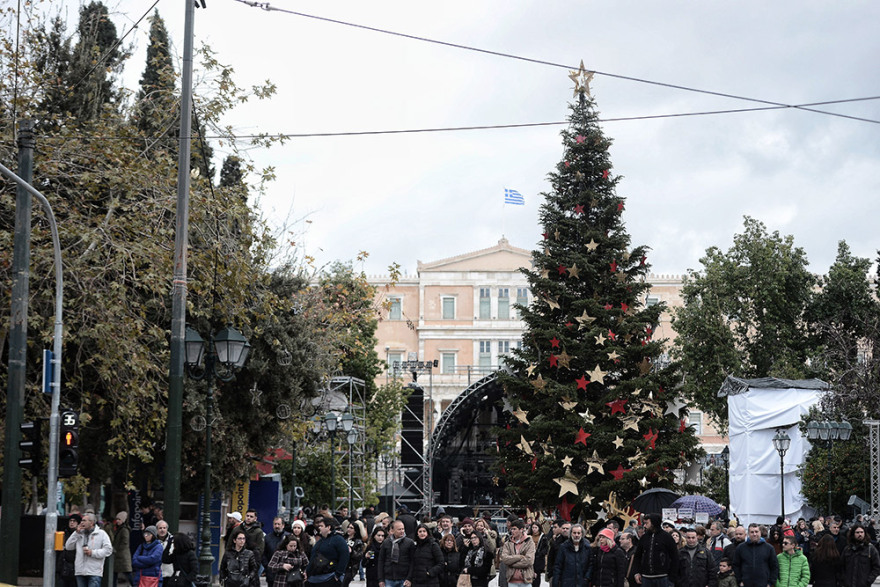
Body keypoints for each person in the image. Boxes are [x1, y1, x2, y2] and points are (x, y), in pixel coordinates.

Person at [64, 512, 114, 587]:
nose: (82, 523)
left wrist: (92, 553)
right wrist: (76, 533)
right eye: (81, 521)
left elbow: (108, 550)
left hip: (94, 571)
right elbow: (68, 546)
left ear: (91, 523)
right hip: (80, 571)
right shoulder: (79, 533)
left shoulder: (101, 534)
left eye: (84, 520)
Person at [631, 513, 678, 587]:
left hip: (663, 577)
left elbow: (675, 558)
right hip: (646, 577)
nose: (644, 526)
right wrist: (636, 572)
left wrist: (672, 578)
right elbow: (637, 556)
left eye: (647, 523)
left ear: (653, 522)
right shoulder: (644, 538)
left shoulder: (667, 537)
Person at [306, 516, 350, 587]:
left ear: (328, 527)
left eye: (321, 526)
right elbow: (313, 557)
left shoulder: (338, 539)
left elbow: (344, 556)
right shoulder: (320, 541)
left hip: (329, 578)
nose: (319, 527)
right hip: (314, 579)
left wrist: (338, 575)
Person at [378, 520, 416, 587]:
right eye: (399, 529)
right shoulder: (386, 543)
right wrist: (381, 579)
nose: (402, 531)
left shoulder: (409, 543)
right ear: (392, 530)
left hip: (404, 578)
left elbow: (412, 561)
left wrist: (409, 578)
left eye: (403, 529)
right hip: (389, 578)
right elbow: (381, 561)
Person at [841, 523, 880, 587]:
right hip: (849, 583)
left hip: (863, 583)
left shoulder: (871, 549)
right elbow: (842, 566)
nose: (860, 534)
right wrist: (844, 580)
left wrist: (869, 580)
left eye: (862, 532)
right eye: (857, 532)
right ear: (853, 534)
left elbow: (877, 567)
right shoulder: (847, 549)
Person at [500, 519, 536, 587]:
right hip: (512, 580)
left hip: (526, 580)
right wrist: (520, 557)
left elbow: (529, 561)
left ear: (521, 529)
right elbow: (505, 559)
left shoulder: (529, 542)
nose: (512, 531)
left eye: (514, 529)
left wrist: (511, 563)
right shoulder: (508, 543)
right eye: (511, 529)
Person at [265, 516, 292, 584]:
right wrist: (268, 566)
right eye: (275, 524)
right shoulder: (267, 537)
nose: (276, 526)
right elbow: (263, 554)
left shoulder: (289, 537)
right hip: (271, 572)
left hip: (285, 573)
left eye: (278, 524)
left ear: (283, 525)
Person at [59, 514, 82, 587]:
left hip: (75, 565)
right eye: (70, 521)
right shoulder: (64, 532)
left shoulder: (80, 534)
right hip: (64, 564)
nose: (72, 523)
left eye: (74, 521)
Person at [546, 520, 570, 587]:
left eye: (567, 528)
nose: (565, 530)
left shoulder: (575, 542)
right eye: (563, 528)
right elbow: (550, 557)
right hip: (556, 574)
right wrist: (550, 573)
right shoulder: (556, 541)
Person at [243, 509, 267, 575]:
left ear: (255, 518)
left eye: (251, 517)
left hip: (252, 561)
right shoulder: (239, 528)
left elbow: (260, 549)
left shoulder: (258, 532)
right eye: (247, 516)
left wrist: (255, 561)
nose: (248, 518)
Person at [343, 520, 366, 587]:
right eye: (348, 527)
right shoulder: (344, 539)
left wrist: (352, 551)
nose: (349, 529)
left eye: (351, 528)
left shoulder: (358, 542)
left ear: (355, 530)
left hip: (351, 566)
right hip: (342, 564)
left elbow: (359, 555)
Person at [529, 521, 549, 587]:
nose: (534, 529)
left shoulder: (543, 537)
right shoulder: (529, 536)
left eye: (535, 527)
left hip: (539, 559)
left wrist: (540, 554)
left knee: (537, 576)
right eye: (533, 527)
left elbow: (546, 548)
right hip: (530, 558)